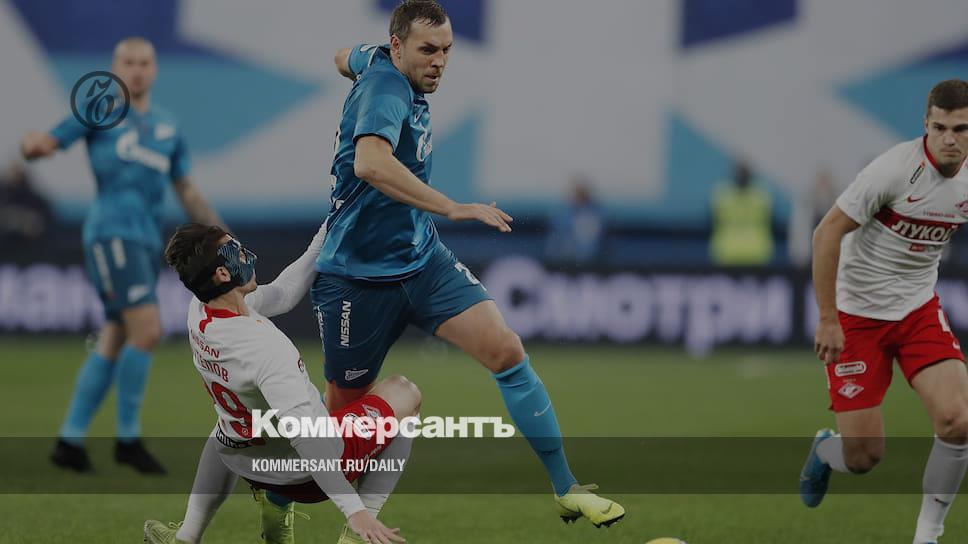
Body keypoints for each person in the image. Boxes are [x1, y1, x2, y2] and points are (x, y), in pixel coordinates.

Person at [314, 0, 623, 527]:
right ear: (398, 46)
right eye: (427, 50)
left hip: (422, 260)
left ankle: (566, 488)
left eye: (447, 50)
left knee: (506, 350)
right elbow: (370, 163)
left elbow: (343, 56)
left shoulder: (379, 61)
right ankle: (282, 498)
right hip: (356, 279)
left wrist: (356, 59)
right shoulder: (386, 87)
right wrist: (452, 207)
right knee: (344, 425)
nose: (439, 61)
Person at [20, 37, 224, 474]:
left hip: (145, 240)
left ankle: (70, 441)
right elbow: (48, 142)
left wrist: (219, 234)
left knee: (116, 334)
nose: (136, 69)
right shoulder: (99, 111)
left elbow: (186, 189)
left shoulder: (168, 127)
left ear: (155, 69)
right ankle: (128, 440)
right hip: (112, 234)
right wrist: (31, 145)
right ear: (115, 68)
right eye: (128, 62)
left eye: (144, 62)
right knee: (146, 330)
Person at [146, 223, 415, 544]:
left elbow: (284, 293)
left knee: (230, 423)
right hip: (305, 476)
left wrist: (327, 231)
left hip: (245, 461)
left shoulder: (200, 312)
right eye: (237, 252)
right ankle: (358, 536)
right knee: (404, 393)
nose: (248, 256)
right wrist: (355, 511)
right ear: (222, 273)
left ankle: (188, 536)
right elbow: (306, 437)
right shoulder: (266, 348)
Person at [801, 79, 968, 544]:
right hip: (857, 316)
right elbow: (825, 234)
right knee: (863, 457)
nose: (949, 139)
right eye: (939, 128)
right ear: (925, 125)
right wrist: (828, 318)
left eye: (960, 129)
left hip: (917, 309)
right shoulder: (892, 171)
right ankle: (826, 451)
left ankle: (927, 536)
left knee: (958, 420)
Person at [709, 160, 774, 266]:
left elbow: (713, 222)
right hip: (752, 251)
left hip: (731, 251)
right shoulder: (762, 196)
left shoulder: (722, 195)